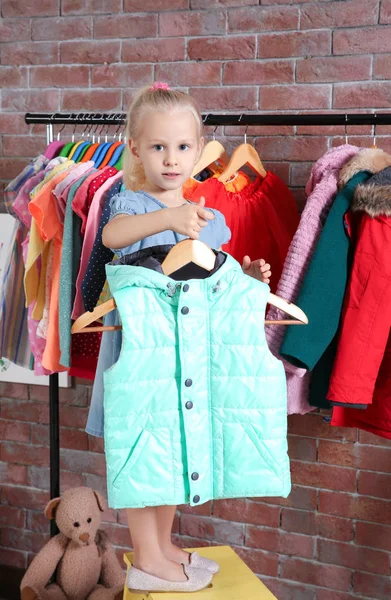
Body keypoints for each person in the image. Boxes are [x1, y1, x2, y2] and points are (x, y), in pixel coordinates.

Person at [102, 82, 272, 590]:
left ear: (198, 152)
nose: (171, 159)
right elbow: (113, 240)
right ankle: (146, 555)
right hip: (143, 348)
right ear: (135, 149)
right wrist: (169, 219)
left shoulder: (210, 221)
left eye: (181, 147)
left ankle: (165, 543)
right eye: (158, 147)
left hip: (187, 352)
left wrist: (246, 278)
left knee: (174, 445)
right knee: (144, 442)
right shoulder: (128, 205)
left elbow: (214, 278)